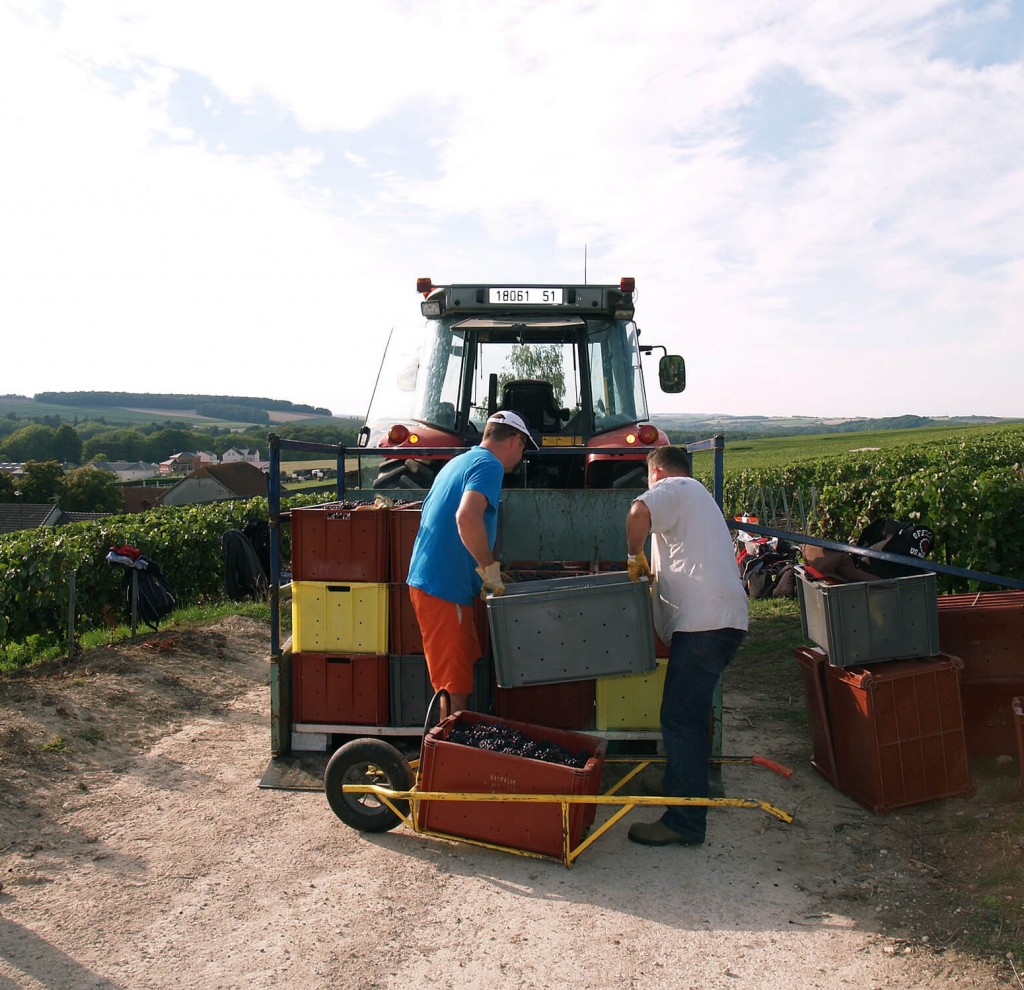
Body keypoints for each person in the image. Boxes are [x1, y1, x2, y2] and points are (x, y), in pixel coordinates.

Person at [624, 445, 749, 847]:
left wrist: (633, 555)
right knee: (687, 717)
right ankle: (681, 781)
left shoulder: (673, 486)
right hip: (720, 620)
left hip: (704, 626)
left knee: (681, 720)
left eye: (649, 479)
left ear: (655, 472)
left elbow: (637, 512)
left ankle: (685, 820)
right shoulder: (698, 497)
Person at [406, 410, 538, 719]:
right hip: (443, 588)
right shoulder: (489, 465)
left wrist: (485, 570)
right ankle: (450, 759)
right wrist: (488, 570)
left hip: (438, 584)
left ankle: (451, 750)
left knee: (456, 681)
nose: (520, 458)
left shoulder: (459, 461)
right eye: (523, 449)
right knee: (454, 690)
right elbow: (466, 518)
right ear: (514, 440)